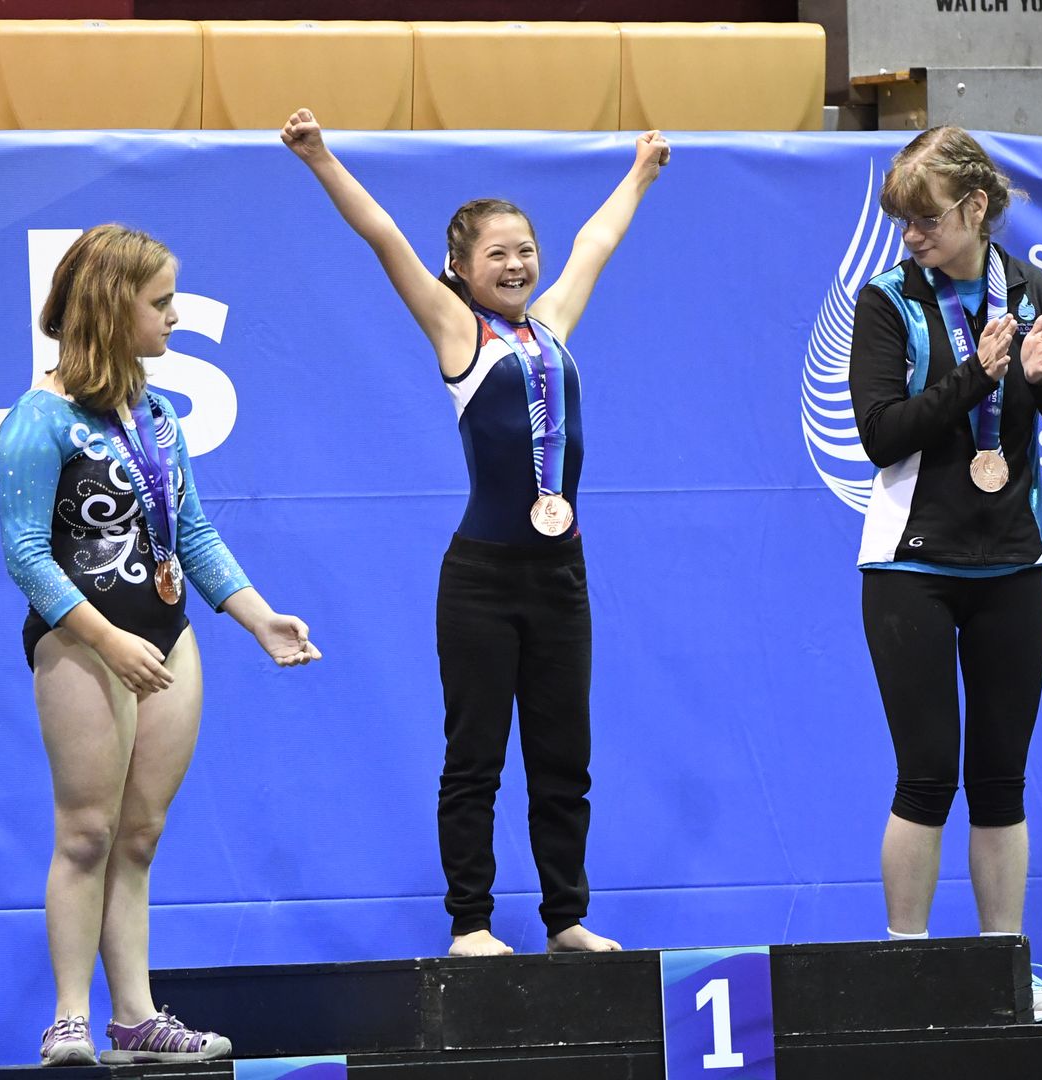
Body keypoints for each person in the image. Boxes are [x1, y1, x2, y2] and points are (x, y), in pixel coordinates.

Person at [280, 107, 668, 958]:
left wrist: (640, 172)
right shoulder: (459, 331)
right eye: (496, 253)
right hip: (482, 581)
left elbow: (596, 243)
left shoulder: (553, 326)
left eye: (525, 249)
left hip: (561, 579)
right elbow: (382, 234)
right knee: (476, 759)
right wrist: (320, 157)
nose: (519, 263)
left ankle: (566, 918)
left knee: (566, 759)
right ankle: (472, 924)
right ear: (459, 268)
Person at [0, 224, 322, 1066]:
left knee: (139, 835)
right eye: (162, 302)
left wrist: (258, 618)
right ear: (113, 308)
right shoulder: (41, 419)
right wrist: (105, 641)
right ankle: (69, 1016)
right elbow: (27, 555)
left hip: (170, 640)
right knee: (86, 834)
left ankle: (134, 1016)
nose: (175, 316)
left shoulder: (161, 416)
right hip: (82, 647)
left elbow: (195, 534)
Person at [847, 127, 1042, 1022]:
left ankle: (1004, 972)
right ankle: (906, 972)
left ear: (976, 209)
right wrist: (977, 373)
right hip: (910, 565)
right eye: (902, 223)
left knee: (1001, 779)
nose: (911, 237)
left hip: (1012, 564)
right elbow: (881, 433)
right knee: (926, 775)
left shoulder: (1034, 293)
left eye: (924, 221)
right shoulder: (887, 300)